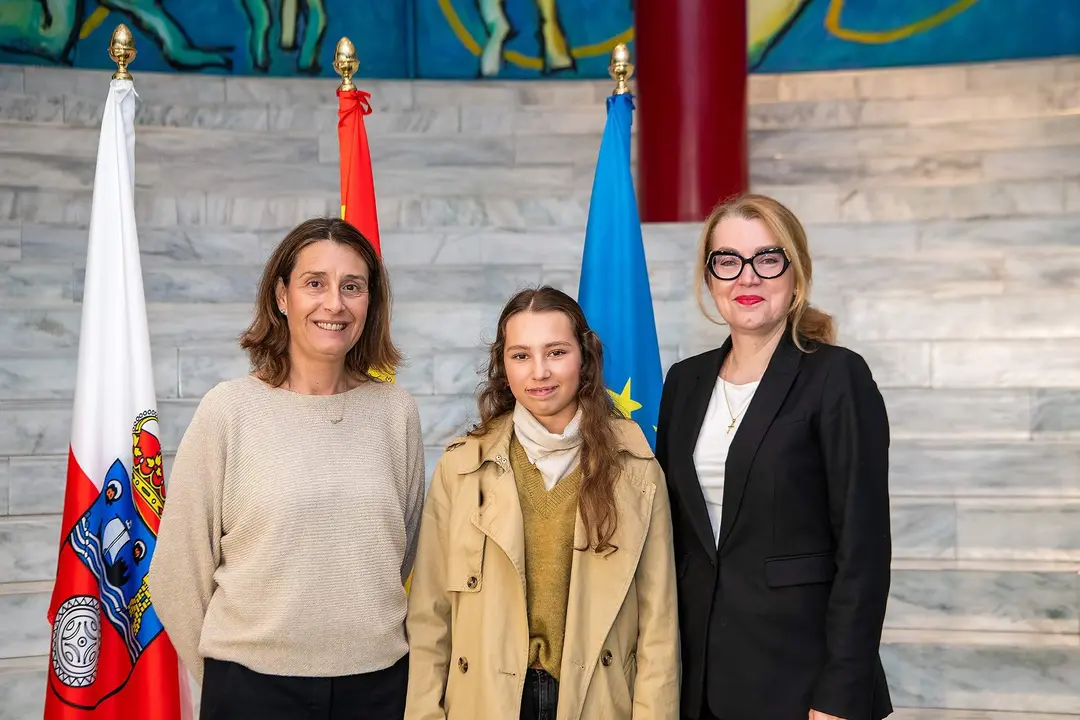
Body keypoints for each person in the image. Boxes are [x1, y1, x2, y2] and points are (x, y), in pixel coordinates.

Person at [149, 217, 426, 719]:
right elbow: (176, 573)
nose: (334, 303)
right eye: (314, 283)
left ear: (371, 301)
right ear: (282, 295)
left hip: (379, 690)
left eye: (352, 287)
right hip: (252, 692)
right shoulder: (227, 410)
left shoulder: (395, 412)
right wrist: (232, 677)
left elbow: (403, 552)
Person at [656, 194, 893, 720]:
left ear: (796, 271)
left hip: (800, 681)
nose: (747, 278)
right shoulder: (684, 382)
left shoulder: (836, 377)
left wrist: (840, 695)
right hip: (697, 679)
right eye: (728, 261)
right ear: (710, 276)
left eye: (767, 258)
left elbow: (864, 550)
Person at [404, 286, 680, 720]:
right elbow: (429, 617)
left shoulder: (637, 468)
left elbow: (659, 626)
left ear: (584, 358)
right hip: (486, 702)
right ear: (503, 366)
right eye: (521, 355)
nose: (539, 372)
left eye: (555, 352)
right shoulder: (462, 467)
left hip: (597, 700)